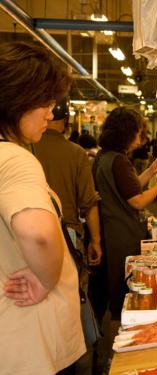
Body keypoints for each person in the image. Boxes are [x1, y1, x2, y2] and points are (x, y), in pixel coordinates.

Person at [0, 41, 85, 374]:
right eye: (45, 103)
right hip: (31, 342)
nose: (51, 114)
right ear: (18, 99)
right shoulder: (15, 159)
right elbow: (38, 234)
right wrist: (45, 279)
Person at [93, 107, 157, 325]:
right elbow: (138, 200)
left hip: (110, 231)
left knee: (112, 289)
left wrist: (153, 170)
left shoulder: (104, 157)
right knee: (125, 292)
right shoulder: (119, 161)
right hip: (122, 234)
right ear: (126, 132)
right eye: (138, 132)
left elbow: (131, 188)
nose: (141, 138)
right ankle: (121, 337)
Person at [32, 98, 103, 375]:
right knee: (75, 301)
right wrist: (95, 241)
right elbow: (89, 202)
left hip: (30, 242)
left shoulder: (26, 150)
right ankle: (80, 362)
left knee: (41, 305)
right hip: (68, 237)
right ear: (67, 121)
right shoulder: (75, 153)